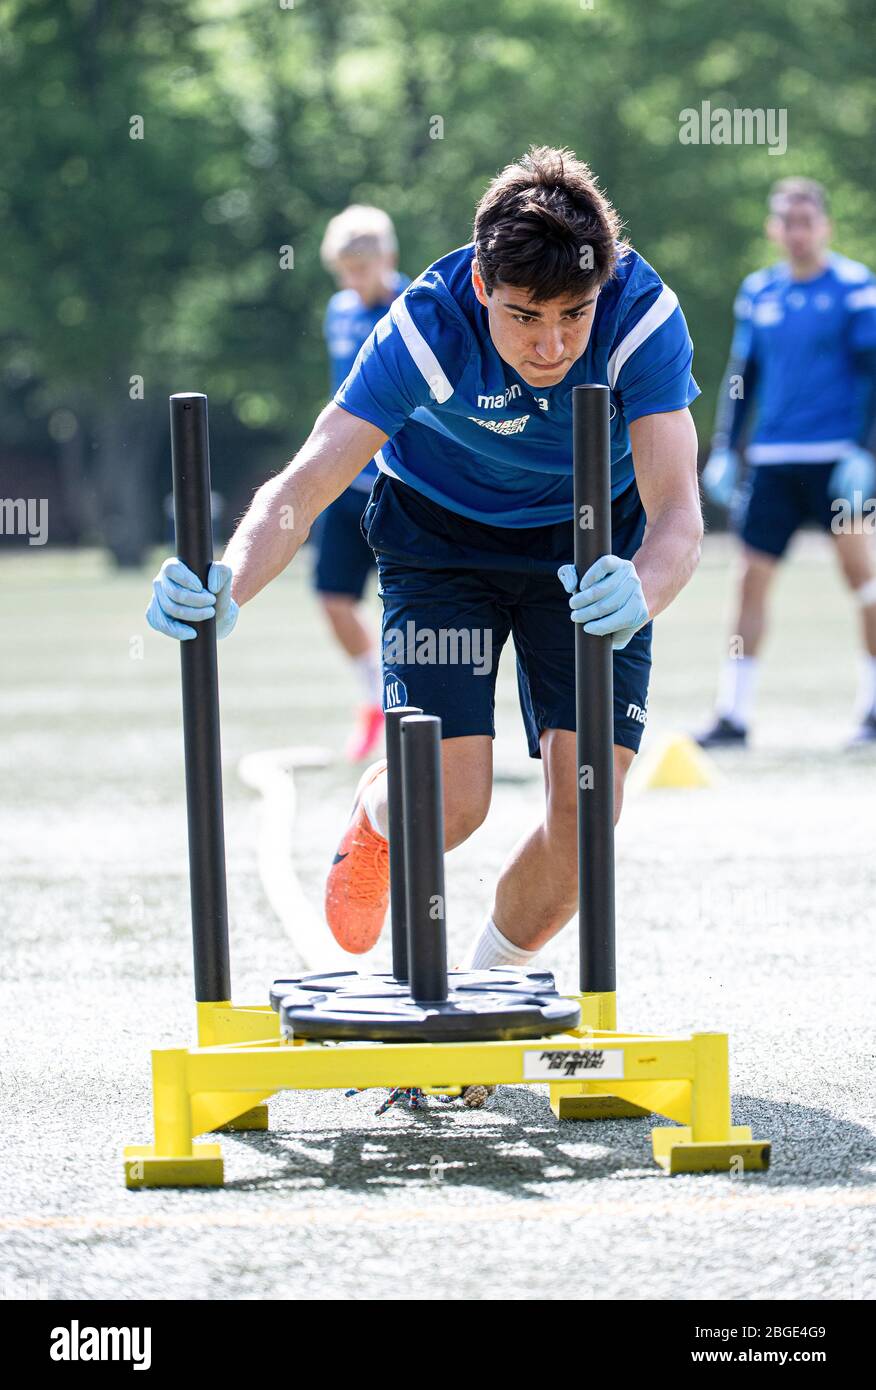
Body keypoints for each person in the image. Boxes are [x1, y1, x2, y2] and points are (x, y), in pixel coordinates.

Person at [147, 146, 702, 969]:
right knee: (450, 802)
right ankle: (377, 823)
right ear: (482, 287)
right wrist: (226, 577)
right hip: (441, 541)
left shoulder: (642, 317)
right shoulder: (422, 328)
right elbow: (306, 484)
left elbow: (679, 518)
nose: (552, 345)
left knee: (590, 813)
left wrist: (643, 593)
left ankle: (486, 990)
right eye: (523, 316)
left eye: (573, 314)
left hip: (591, 548)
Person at [698, 177, 876, 748]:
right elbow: (741, 377)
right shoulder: (759, 292)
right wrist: (727, 447)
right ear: (774, 229)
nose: (798, 233)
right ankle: (734, 714)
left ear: (824, 225)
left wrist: (864, 451)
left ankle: (873, 707)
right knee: (749, 581)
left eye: (808, 221)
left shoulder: (854, 289)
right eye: (787, 222)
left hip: (837, 461)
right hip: (774, 460)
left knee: (865, 580)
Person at [312, 206, 409, 760]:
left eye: (362, 267)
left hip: (399, 487)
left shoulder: (411, 310)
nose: (353, 280)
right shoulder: (338, 312)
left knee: (404, 603)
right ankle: (373, 697)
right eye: (345, 270)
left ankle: (408, 709)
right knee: (332, 598)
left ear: (388, 259)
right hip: (346, 483)